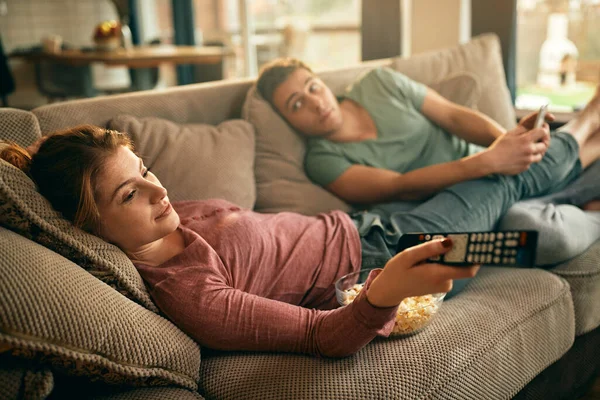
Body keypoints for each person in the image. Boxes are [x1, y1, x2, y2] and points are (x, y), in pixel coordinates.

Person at [0, 121, 590, 357]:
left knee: (517, 215)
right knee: (506, 179)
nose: (158, 193)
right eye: (128, 196)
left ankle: (580, 188)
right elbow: (322, 335)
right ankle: (587, 129)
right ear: (86, 225)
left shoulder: (174, 221)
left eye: (146, 171)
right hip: (388, 254)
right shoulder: (191, 294)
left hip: (366, 222)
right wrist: (384, 293)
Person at [256, 58, 600, 267]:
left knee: (526, 197)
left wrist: (508, 143)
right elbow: (399, 187)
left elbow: (452, 115)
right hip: (457, 204)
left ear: (323, 83)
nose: (315, 103)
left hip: (494, 165)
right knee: (539, 232)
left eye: (312, 87)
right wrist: (489, 161)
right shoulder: (322, 160)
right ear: (289, 122)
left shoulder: (379, 83)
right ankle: (588, 136)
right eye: (297, 105)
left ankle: (588, 128)